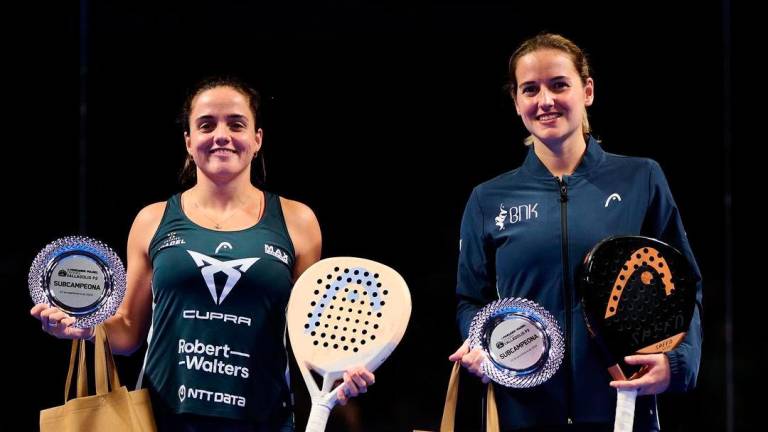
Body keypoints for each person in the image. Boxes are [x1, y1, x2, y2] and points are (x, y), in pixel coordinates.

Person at [31, 76, 374, 431]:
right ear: (189, 141)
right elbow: (128, 334)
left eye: (236, 124)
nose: (221, 135)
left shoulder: (298, 221)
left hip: (263, 422)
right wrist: (83, 325)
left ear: (257, 139)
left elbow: (314, 339)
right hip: (165, 421)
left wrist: (341, 372)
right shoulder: (152, 220)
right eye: (206, 125)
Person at [448, 33, 702, 431]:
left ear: (587, 91)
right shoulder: (488, 199)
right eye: (530, 89)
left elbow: (686, 287)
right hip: (522, 414)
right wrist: (481, 342)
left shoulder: (642, 178)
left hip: (621, 408)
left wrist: (678, 364)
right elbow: (470, 300)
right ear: (516, 102)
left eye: (558, 85)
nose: (545, 100)